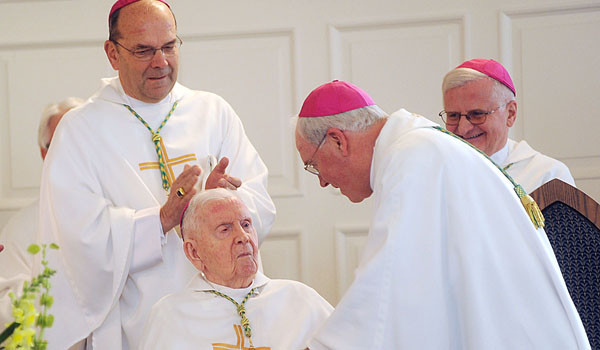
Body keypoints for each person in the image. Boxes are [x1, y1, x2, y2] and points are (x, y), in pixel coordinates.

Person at [37, 1, 275, 349]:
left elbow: (261, 205)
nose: (161, 62)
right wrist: (161, 220)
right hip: (136, 322)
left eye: (169, 46)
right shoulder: (80, 130)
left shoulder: (212, 112)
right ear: (113, 53)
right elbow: (76, 240)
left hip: (221, 316)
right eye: (144, 50)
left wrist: (220, 205)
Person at [294, 80, 590, 349]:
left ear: (337, 140)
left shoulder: (412, 158)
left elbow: (386, 292)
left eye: (314, 165)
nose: (321, 181)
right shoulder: (416, 149)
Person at [139, 188, 332, 349]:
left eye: (246, 224)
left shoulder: (300, 300)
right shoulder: (171, 316)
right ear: (194, 252)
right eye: (225, 229)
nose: (243, 237)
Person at [0, 97, 83, 326]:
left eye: (81, 143)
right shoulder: (20, 229)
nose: (73, 154)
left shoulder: (125, 211)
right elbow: (6, 310)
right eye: (60, 144)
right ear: (44, 153)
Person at [441, 58, 575, 193]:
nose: (463, 128)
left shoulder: (548, 176)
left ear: (510, 114)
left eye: (477, 114)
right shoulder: (437, 171)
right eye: (453, 115)